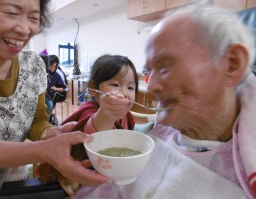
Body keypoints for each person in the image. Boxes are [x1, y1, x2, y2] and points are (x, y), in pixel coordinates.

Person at [71, 5, 256, 199]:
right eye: (148, 71)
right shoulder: (155, 140)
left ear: (232, 64)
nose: (152, 88)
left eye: (166, 67)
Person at [0, 0, 108, 198]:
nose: (24, 28)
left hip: (15, 187)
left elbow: (36, 120)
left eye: (33, 18)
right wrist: (44, 151)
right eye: (11, 13)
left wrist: (51, 133)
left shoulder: (33, 64)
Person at [36, 54, 139, 196]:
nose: (124, 93)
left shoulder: (128, 117)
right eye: (115, 85)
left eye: (131, 87)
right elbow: (95, 133)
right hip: (79, 181)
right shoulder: (91, 112)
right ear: (92, 88)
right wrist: (105, 114)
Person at [47, 54, 68, 124]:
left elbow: (65, 88)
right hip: (50, 92)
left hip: (61, 94)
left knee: (53, 92)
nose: (47, 63)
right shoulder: (47, 71)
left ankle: (48, 114)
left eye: (49, 62)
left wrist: (56, 88)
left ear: (55, 63)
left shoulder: (59, 73)